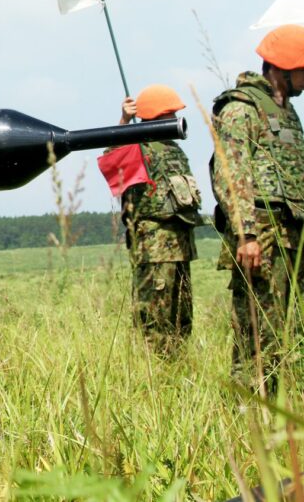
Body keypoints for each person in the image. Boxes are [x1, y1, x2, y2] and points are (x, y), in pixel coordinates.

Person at [211, 24, 304, 388]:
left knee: (289, 330)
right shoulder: (240, 109)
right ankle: (251, 420)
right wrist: (247, 234)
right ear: (282, 67)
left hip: (293, 232)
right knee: (259, 333)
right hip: (262, 234)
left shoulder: (286, 114)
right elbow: (233, 176)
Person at [116, 85, 201, 352]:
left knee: (181, 317)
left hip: (180, 248)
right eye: (170, 114)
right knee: (153, 319)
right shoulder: (138, 147)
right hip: (154, 250)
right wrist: (125, 122)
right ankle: (153, 377)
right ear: (156, 116)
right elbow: (114, 161)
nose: (175, 118)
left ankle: (177, 372)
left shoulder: (174, 150)